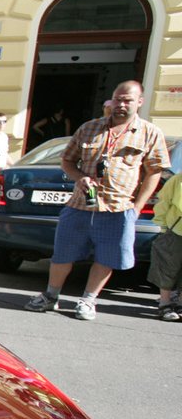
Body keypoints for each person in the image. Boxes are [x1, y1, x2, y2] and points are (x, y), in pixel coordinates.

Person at [25, 80, 169, 320]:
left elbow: (154, 172)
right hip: (81, 204)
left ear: (139, 102)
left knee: (107, 257)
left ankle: (88, 301)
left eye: (127, 100)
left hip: (118, 207)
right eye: (117, 99)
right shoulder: (90, 128)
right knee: (63, 253)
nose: (121, 105)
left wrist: (137, 207)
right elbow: (67, 161)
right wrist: (80, 178)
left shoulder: (149, 133)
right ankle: (51, 296)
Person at [148, 171, 182, 321]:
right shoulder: (177, 180)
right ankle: (164, 303)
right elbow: (163, 202)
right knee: (167, 266)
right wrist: (163, 227)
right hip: (175, 229)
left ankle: (180, 304)